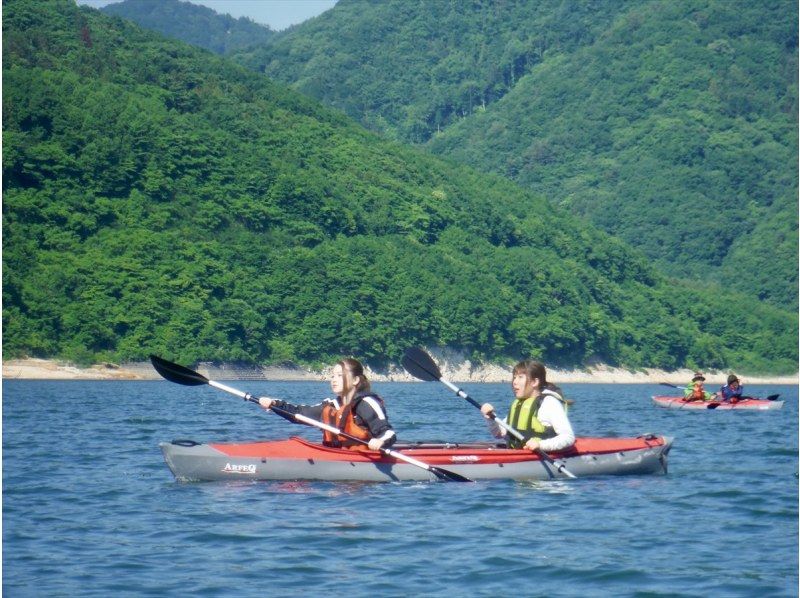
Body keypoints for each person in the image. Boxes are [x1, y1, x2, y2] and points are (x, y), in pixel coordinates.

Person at [258, 358, 396, 451]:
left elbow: (388, 433)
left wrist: (380, 442)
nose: (334, 380)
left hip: (364, 461)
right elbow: (298, 414)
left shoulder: (366, 404)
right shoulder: (331, 406)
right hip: (338, 456)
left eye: (339, 376)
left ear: (355, 380)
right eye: (332, 376)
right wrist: (274, 404)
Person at [479, 359, 575, 452]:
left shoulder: (549, 403)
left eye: (520, 377)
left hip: (541, 456)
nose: (514, 382)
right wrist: (491, 418)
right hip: (517, 454)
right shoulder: (519, 404)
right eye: (514, 377)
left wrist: (541, 445)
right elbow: (499, 434)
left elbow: (568, 437)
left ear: (534, 382)